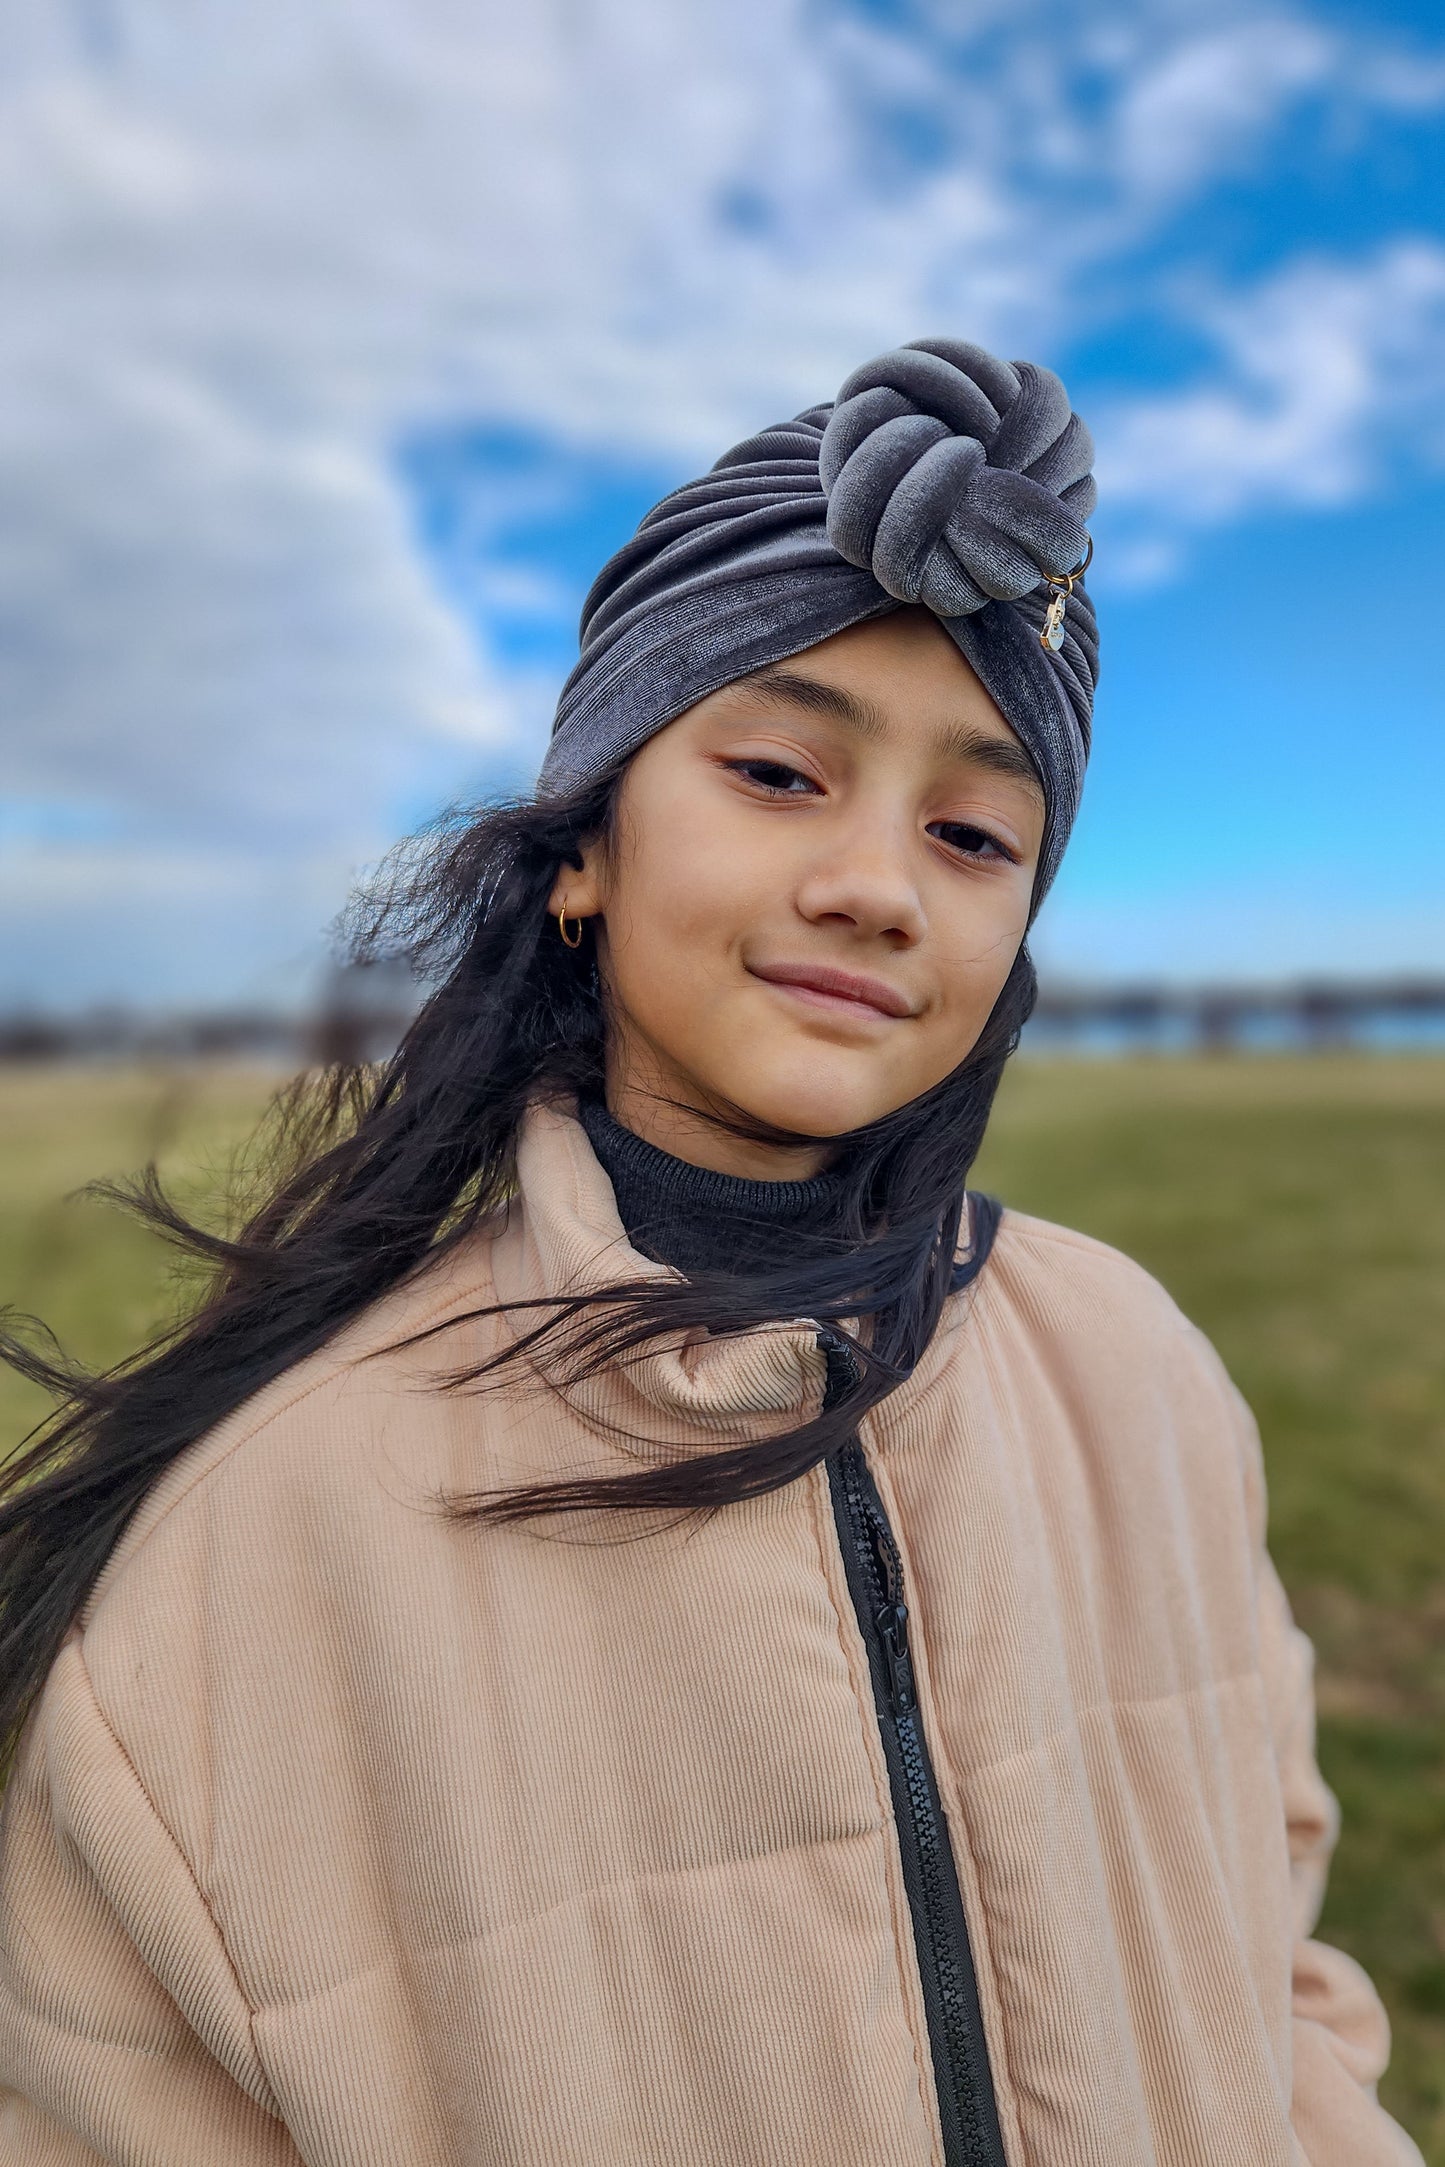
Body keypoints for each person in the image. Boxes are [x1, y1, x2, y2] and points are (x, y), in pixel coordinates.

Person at [0, 339, 1423, 2166]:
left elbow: (1273, 1940)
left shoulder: (1133, 1367)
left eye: (974, 831)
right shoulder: (251, 1555)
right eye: (774, 772)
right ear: (584, 845)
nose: (876, 882)